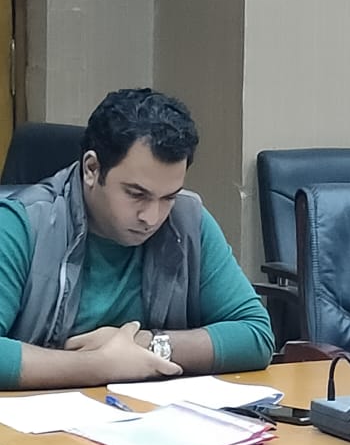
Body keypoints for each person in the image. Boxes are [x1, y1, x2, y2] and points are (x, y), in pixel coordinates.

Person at [0, 89, 274, 390]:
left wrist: (146, 344)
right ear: (92, 169)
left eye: (168, 197)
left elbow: (255, 334)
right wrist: (100, 365)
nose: (152, 217)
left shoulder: (187, 221)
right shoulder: (21, 224)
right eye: (136, 194)